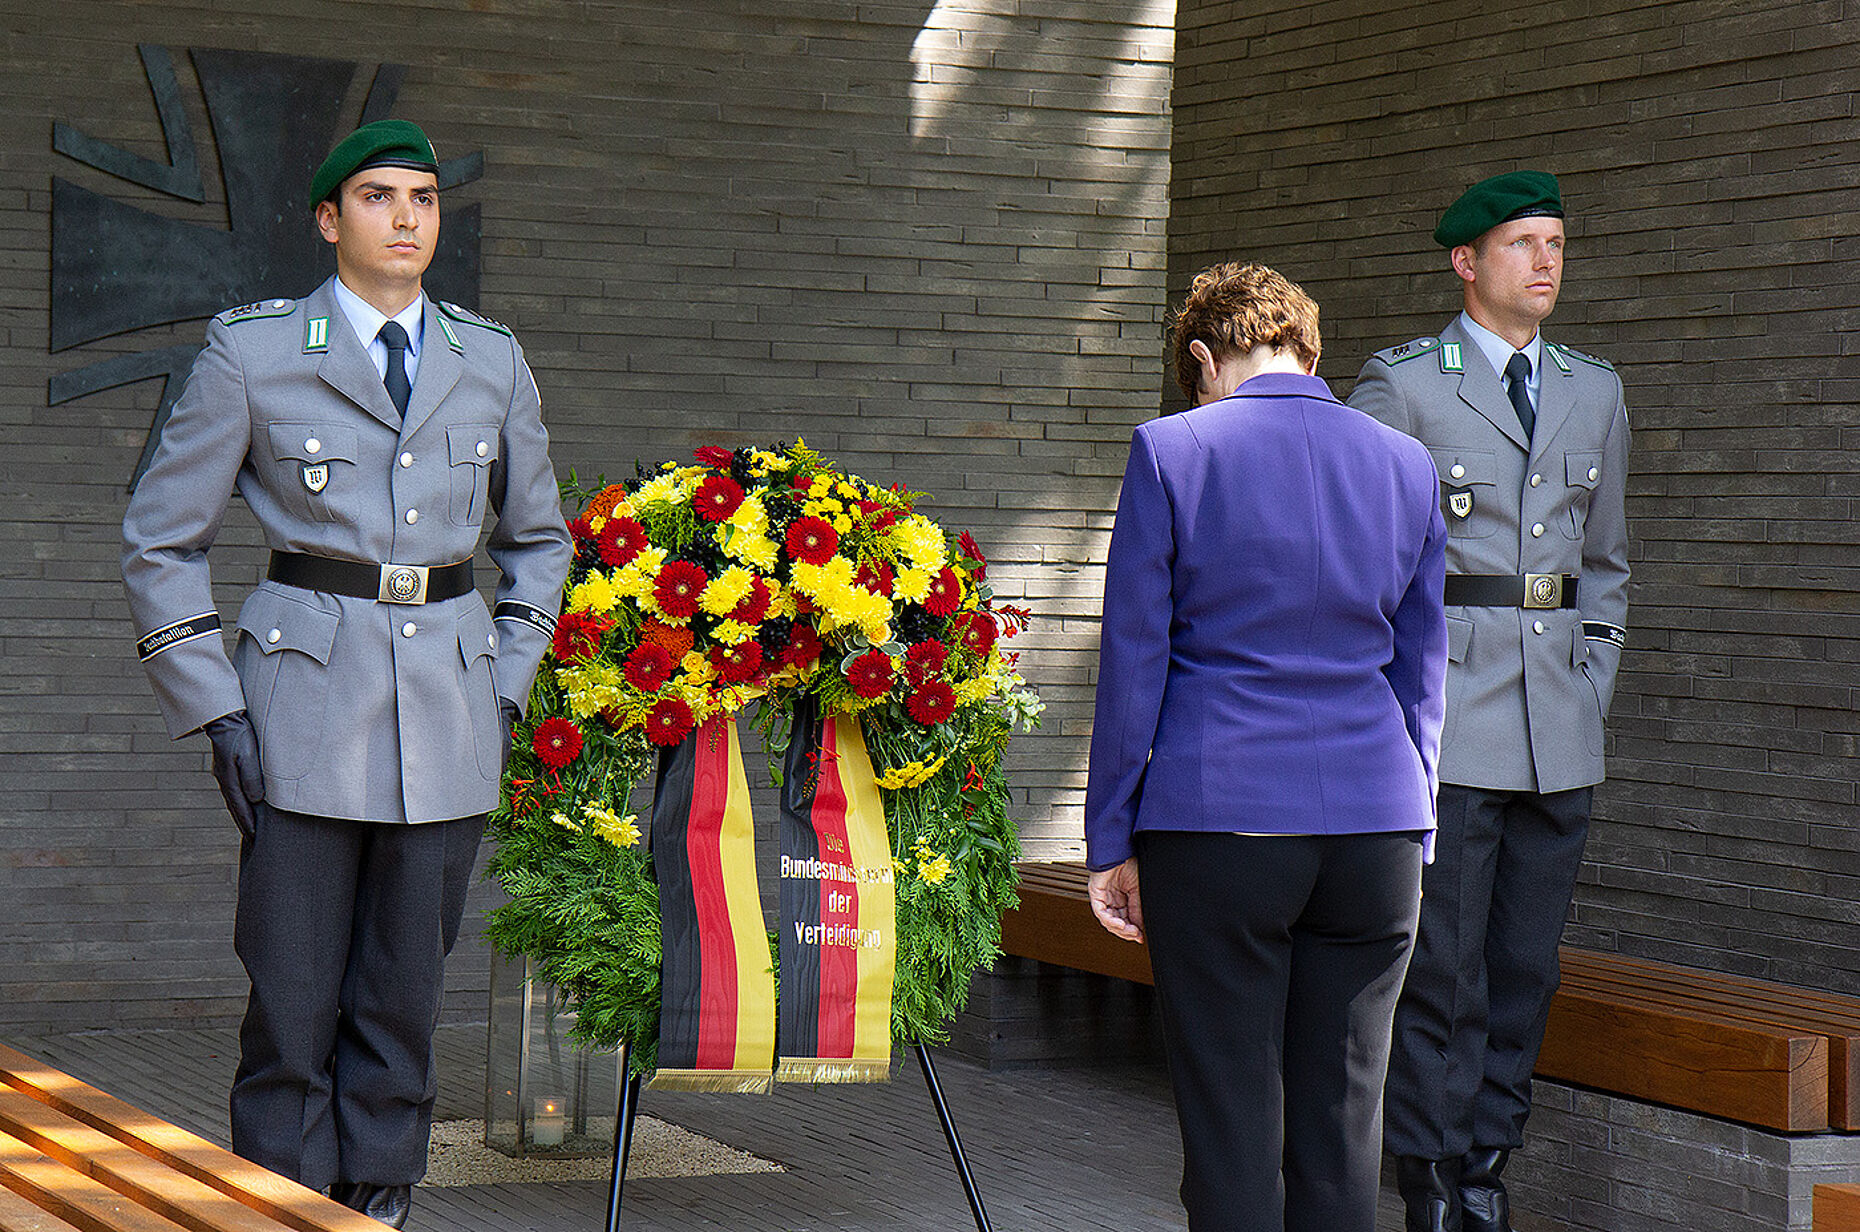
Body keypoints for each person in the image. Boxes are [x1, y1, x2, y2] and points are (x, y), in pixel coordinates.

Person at [121, 120, 573, 1228]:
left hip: (450, 709)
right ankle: (276, 1202)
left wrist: (505, 679)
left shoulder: (490, 357)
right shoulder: (256, 351)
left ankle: (381, 1199)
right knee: (290, 994)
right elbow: (159, 539)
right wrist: (215, 707)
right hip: (301, 707)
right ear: (331, 220)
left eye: (423, 198)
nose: (407, 217)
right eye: (378, 196)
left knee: (404, 995)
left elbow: (539, 540)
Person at [1085, 262, 1448, 1232]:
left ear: (1203, 356)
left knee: (1234, 1133)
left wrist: (1110, 837)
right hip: (1378, 826)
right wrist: (1420, 820)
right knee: (1342, 1136)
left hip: (1220, 819)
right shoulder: (1408, 464)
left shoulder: (1172, 450)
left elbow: (1134, 660)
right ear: (1310, 348)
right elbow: (1424, 672)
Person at [1348, 170, 1630, 1232]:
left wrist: (1595, 678)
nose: (1547, 261)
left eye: (1557, 241)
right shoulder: (1405, 385)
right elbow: (1363, 562)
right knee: (1443, 970)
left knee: (1523, 968)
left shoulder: (1595, 389)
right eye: (1523, 243)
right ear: (1468, 262)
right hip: (1448, 719)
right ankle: (1428, 1176)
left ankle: (1487, 1168)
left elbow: (1605, 562)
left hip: (1559, 723)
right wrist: (1393, 707)